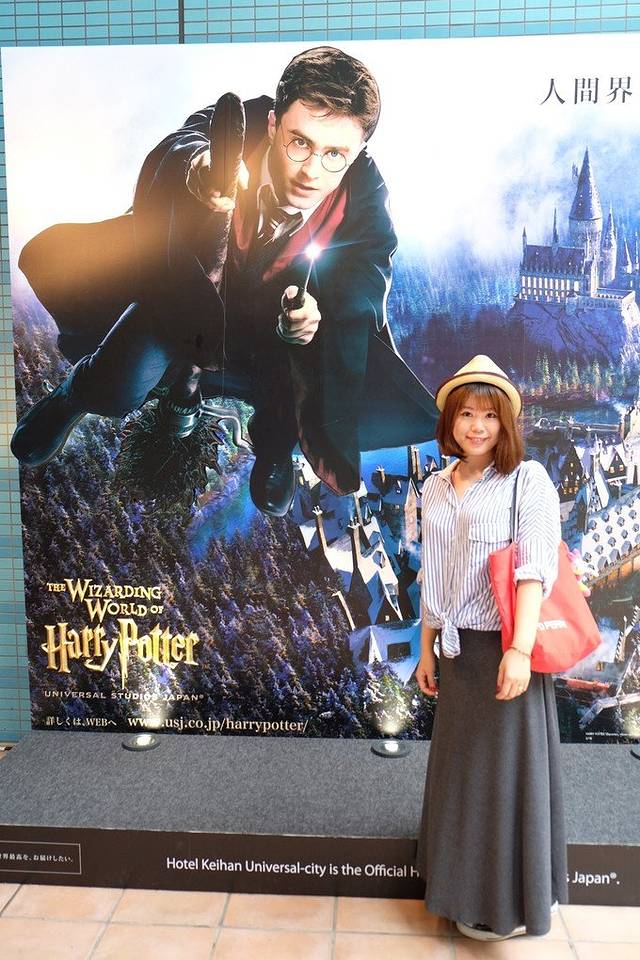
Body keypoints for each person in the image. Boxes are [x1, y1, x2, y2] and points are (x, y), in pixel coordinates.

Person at [11, 45, 438, 516]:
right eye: (299, 143)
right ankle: (76, 394)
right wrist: (197, 174)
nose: (311, 171)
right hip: (187, 305)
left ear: (357, 154)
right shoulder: (232, 129)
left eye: (335, 154)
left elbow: (365, 283)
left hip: (270, 340)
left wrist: (317, 319)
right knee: (124, 371)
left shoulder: (366, 205)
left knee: (304, 378)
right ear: (273, 124)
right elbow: (179, 148)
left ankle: (274, 449)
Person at [414, 354, 568, 941]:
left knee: (504, 779)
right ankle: (459, 894)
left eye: (488, 415)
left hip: (504, 650)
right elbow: (433, 575)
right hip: (457, 655)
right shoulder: (434, 487)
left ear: (506, 423)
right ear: (450, 421)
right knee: (461, 776)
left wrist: (521, 650)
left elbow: (533, 570)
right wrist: (426, 649)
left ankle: (504, 906)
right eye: (465, 414)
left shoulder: (527, 480)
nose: (476, 426)